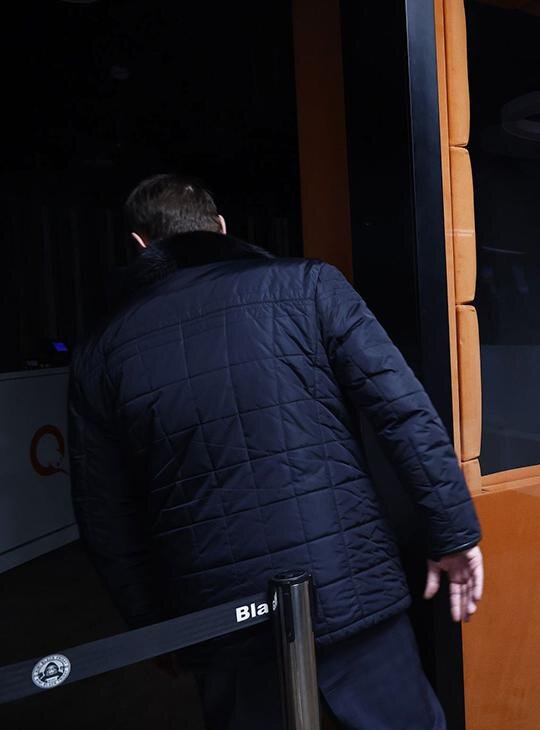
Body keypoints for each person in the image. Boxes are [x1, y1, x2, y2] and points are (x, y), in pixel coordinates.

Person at [68, 174, 484, 729]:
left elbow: (104, 514)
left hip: (219, 620)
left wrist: (152, 625)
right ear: (221, 228)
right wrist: (453, 533)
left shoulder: (101, 351)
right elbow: (403, 411)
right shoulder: (309, 284)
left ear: (140, 244)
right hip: (348, 588)